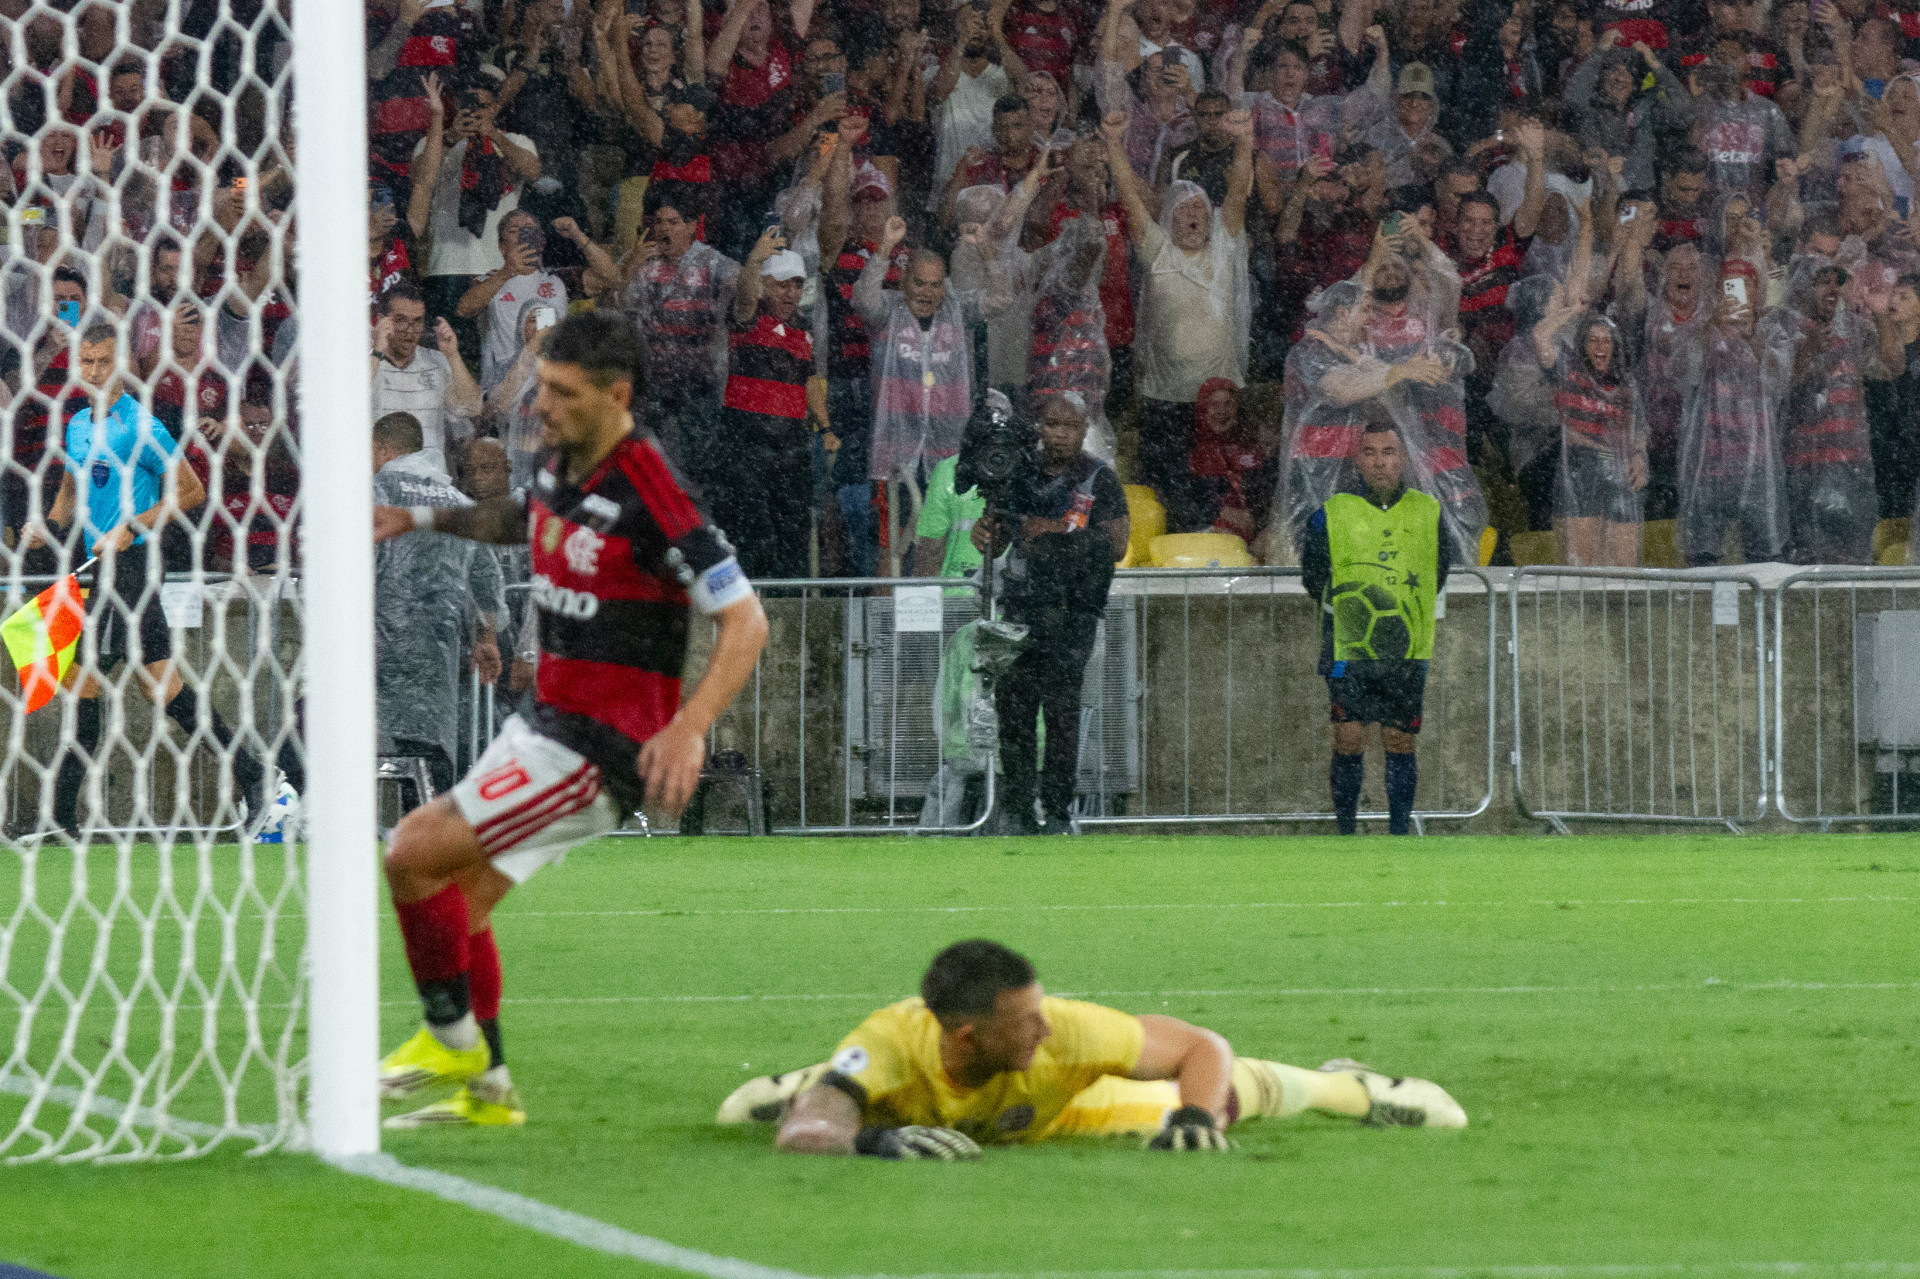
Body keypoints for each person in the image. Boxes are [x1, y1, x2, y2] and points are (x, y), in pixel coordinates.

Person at [370, 312, 768, 1128]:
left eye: (560, 391)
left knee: (411, 853)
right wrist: (419, 519)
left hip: (596, 752)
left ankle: (449, 1040)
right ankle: (490, 1093)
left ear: (616, 397)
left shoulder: (651, 489)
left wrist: (689, 726)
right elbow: (522, 516)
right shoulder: (564, 463)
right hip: (545, 725)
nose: (540, 404)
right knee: (459, 906)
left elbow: (747, 620)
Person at [718, 938, 1465, 1155]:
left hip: (1058, 1109)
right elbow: (812, 1136)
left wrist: (1197, 1118)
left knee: (1221, 1092)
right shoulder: (889, 1040)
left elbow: (1202, 1046)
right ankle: (811, 1080)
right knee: (825, 1098)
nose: (1045, 1029)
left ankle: (1357, 1088)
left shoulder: (1064, 1033)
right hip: (898, 1090)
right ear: (969, 1034)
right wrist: (873, 1140)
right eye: (1026, 1020)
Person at [19, 324, 289, 837]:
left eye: (103, 362)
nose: (94, 372)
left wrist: (131, 527)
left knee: (89, 682)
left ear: (121, 366)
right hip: (90, 568)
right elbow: (69, 498)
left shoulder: (142, 425)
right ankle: (254, 775)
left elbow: (187, 492)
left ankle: (58, 820)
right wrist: (42, 528)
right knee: (150, 685)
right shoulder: (76, 424)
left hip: (133, 570)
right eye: (87, 363)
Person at [972, 395, 1128, 835]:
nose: (1059, 433)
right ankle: (1019, 807)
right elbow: (997, 538)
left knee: (1061, 714)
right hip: (1020, 607)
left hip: (1073, 610)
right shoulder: (1017, 472)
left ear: (1083, 430)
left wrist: (1056, 532)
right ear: (1039, 427)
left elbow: (1116, 544)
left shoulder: (1099, 477)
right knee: (1014, 712)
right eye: (1052, 424)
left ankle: (1058, 810)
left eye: (1069, 426)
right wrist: (986, 531)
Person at [1300, 421, 1454, 837]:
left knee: (1400, 741)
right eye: (1370, 452)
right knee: (1348, 737)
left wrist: (1399, 615)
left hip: (1406, 648)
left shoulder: (1428, 512)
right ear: (1358, 460)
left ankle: (1399, 833)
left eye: (1388, 452)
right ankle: (1346, 832)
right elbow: (1312, 576)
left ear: (1402, 458)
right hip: (1347, 646)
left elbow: (1440, 569)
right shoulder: (1330, 514)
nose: (1380, 461)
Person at [1103, 106, 1253, 533]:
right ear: (1169, 217)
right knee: (1166, 495)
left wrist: (1244, 140)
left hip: (1218, 401)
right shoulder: (1158, 251)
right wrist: (1114, 142)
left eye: (1201, 210)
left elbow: (1239, 191)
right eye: (1184, 209)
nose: (1194, 216)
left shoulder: (1224, 248)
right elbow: (1132, 198)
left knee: (1215, 498)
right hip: (1165, 402)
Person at [371, 412, 507, 798]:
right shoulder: (459, 503)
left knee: (369, 746)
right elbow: (487, 577)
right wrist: (487, 638)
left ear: (383, 448)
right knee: (429, 746)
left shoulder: (376, 491)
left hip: (379, 640)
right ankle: (429, 834)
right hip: (438, 645)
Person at [1759, 256, 1879, 563]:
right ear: (1803, 286)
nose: (1833, 289)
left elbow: (1889, 368)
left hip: (1852, 464)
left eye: (1838, 282)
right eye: (1823, 281)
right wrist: (1808, 349)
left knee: (1854, 565)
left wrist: (1883, 317)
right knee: (1811, 566)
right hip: (1805, 467)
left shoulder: (1854, 328)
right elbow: (1776, 392)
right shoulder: (1783, 325)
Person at [714, 230, 815, 580]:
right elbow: (743, 298)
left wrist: (825, 425)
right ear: (764, 286)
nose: (791, 293)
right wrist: (755, 261)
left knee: (793, 539)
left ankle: (790, 613)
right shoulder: (747, 318)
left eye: (797, 284)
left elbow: (811, 382)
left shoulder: (804, 329)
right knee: (754, 538)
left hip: (791, 449)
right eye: (782, 284)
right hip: (746, 446)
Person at [1531, 292, 1648, 566]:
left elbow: (1639, 427)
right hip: (1579, 471)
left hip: (1620, 473)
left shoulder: (1627, 386)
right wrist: (1572, 311)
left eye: (1606, 340)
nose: (1600, 345)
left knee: (1622, 576)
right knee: (1582, 576)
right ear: (1582, 345)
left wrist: (1640, 456)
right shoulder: (1568, 374)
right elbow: (1540, 336)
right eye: (1593, 339)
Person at [371, 282, 485, 475]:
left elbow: (472, 407)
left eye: (417, 321)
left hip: (430, 482)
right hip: (379, 484)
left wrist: (453, 355)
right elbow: (346, 405)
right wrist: (377, 351)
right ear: (382, 321)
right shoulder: (366, 363)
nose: (410, 330)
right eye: (401, 320)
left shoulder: (438, 360)